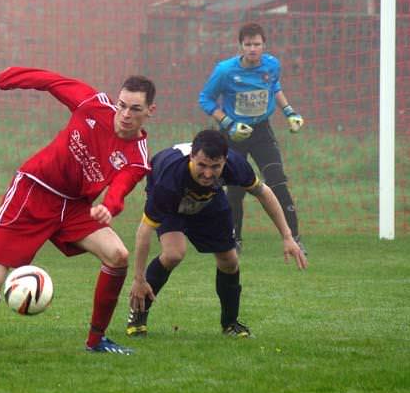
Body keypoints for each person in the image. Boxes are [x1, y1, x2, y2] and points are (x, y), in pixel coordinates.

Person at [0, 66, 156, 355]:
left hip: (76, 208)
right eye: (122, 106)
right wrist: (10, 78)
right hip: (34, 191)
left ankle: (96, 341)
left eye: (135, 109)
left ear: (150, 110)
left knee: (118, 256)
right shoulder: (93, 103)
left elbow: (120, 189)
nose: (125, 114)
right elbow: (53, 82)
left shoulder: (138, 158)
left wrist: (109, 207)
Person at [125, 129, 307, 338]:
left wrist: (287, 236)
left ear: (225, 160)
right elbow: (144, 231)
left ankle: (230, 324)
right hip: (173, 203)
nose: (208, 173)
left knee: (230, 261)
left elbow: (263, 193)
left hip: (209, 200)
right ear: (192, 157)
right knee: (174, 253)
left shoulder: (235, 164)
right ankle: (138, 315)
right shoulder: (169, 179)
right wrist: (139, 278)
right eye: (201, 165)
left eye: (215, 167)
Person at [198, 22, 305, 255]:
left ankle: (294, 239)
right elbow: (205, 99)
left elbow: (274, 86)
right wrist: (229, 123)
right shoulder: (225, 71)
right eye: (248, 44)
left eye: (257, 44)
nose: (253, 49)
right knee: (235, 188)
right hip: (234, 135)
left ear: (263, 45)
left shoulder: (272, 65)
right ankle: (234, 240)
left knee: (277, 181)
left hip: (262, 131)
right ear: (241, 46)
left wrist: (289, 112)